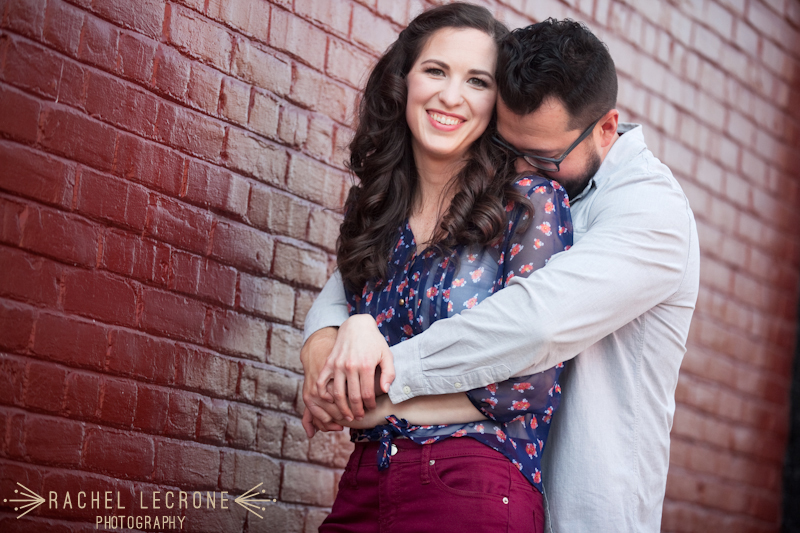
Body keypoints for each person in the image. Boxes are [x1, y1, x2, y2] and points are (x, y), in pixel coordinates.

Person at [303, 16, 700, 533]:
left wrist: (379, 387)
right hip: (433, 477)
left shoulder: (650, 211)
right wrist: (333, 341)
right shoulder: (498, 196)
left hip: (579, 509)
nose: (521, 169)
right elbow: (352, 284)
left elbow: (535, 324)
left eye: (542, 158)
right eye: (509, 149)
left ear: (606, 129)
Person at [308, 4, 574, 532]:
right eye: (435, 71)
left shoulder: (528, 204)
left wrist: (374, 405)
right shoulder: (375, 212)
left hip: (472, 483)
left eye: (477, 81)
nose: (451, 96)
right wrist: (351, 329)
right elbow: (341, 334)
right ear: (403, 80)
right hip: (364, 479)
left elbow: (529, 385)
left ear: (498, 103)